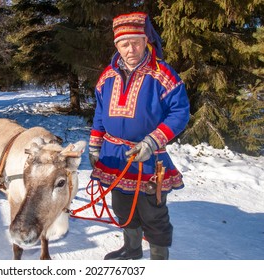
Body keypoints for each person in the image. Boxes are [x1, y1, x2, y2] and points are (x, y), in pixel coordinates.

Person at [88, 12, 190, 260]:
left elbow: (180, 113)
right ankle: (132, 249)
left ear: (146, 41)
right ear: (117, 46)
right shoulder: (107, 77)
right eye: (124, 44)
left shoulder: (163, 74)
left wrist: (152, 140)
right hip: (114, 155)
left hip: (149, 156)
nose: (130, 48)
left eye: (136, 42)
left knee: (153, 211)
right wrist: (94, 145)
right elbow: (100, 112)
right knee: (122, 206)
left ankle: (158, 257)